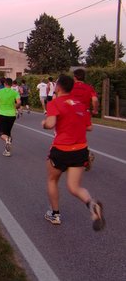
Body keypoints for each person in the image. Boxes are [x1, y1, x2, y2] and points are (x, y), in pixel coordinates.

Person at [41, 74, 105, 231]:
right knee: (74, 187)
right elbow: (89, 127)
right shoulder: (80, 104)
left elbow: (50, 123)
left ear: (58, 87)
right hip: (81, 150)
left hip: (62, 149)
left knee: (52, 180)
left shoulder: (55, 103)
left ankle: (55, 214)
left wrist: (44, 123)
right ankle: (91, 204)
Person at [71, 68, 99, 171]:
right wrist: (95, 110)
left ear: (74, 77)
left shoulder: (70, 87)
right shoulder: (89, 88)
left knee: (69, 135)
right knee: (80, 136)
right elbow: (95, 100)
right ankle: (84, 156)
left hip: (71, 114)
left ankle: (80, 157)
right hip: (84, 114)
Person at [0, 78, 21, 157]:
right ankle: (7, 151)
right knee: (8, 133)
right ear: (11, 84)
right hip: (12, 115)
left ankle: (7, 140)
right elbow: (19, 102)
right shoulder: (15, 92)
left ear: (4, 84)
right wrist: (15, 106)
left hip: (2, 114)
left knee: (2, 134)